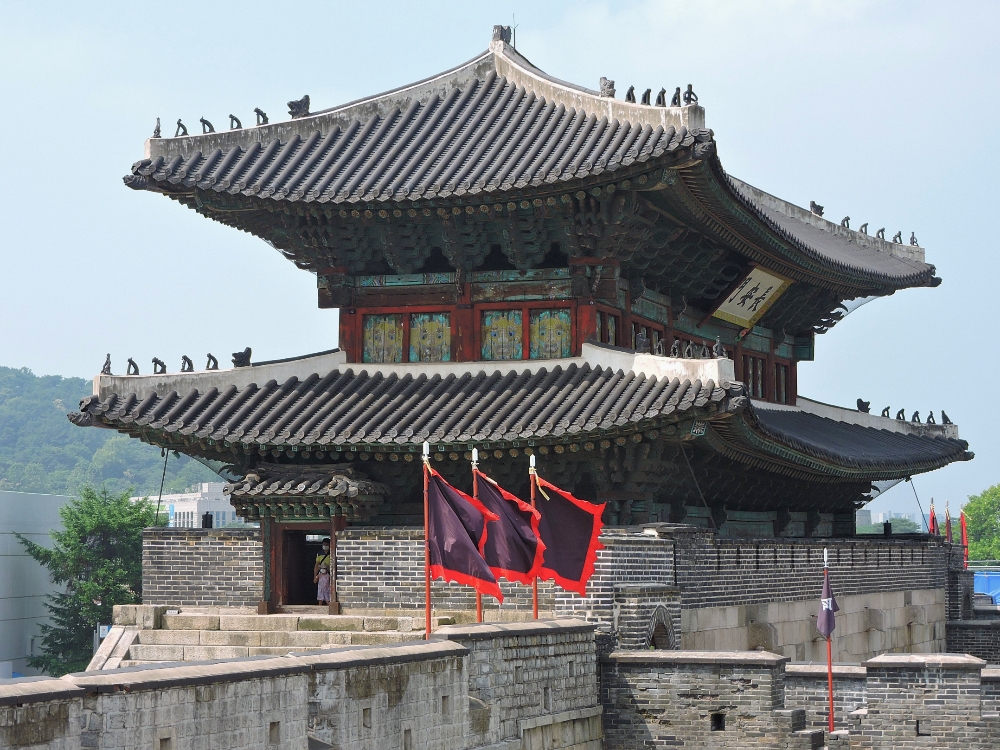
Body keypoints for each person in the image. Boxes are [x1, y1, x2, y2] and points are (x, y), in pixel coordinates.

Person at [314, 538, 331, 606]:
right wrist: (315, 576)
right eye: (324, 544)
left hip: (329, 574)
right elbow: (316, 565)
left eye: (326, 545)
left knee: (328, 592)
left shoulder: (333, 552)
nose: (325, 546)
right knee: (320, 592)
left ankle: (329, 605)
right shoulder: (319, 553)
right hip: (322, 576)